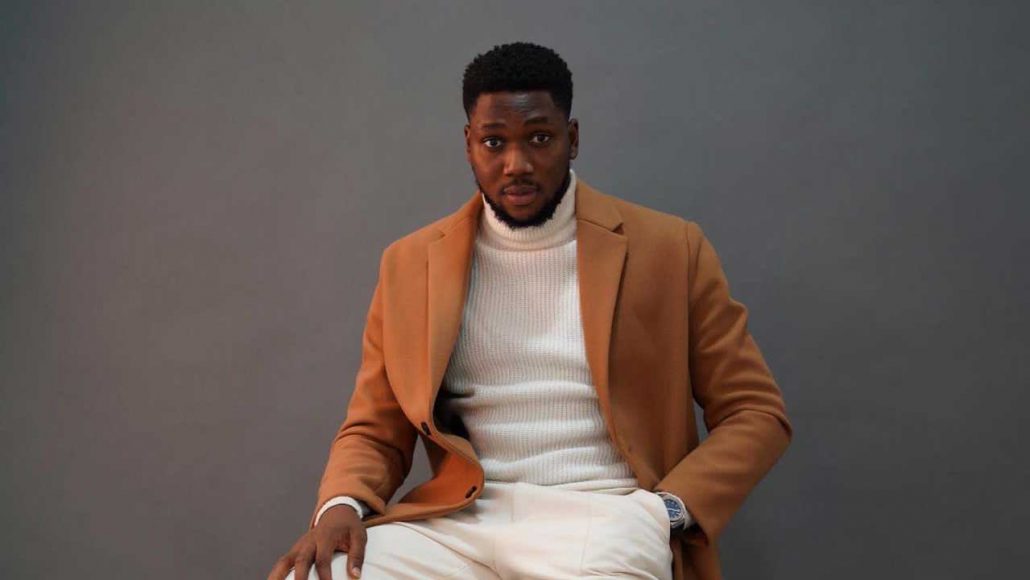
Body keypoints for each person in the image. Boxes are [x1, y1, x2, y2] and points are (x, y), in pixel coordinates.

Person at [268, 41, 792, 580]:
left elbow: (756, 412)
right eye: (494, 142)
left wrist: (666, 511)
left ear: (573, 139)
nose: (516, 164)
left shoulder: (670, 248)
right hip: (458, 523)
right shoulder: (410, 264)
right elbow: (375, 427)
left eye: (539, 138)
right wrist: (340, 506)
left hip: (604, 517)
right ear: (469, 145)